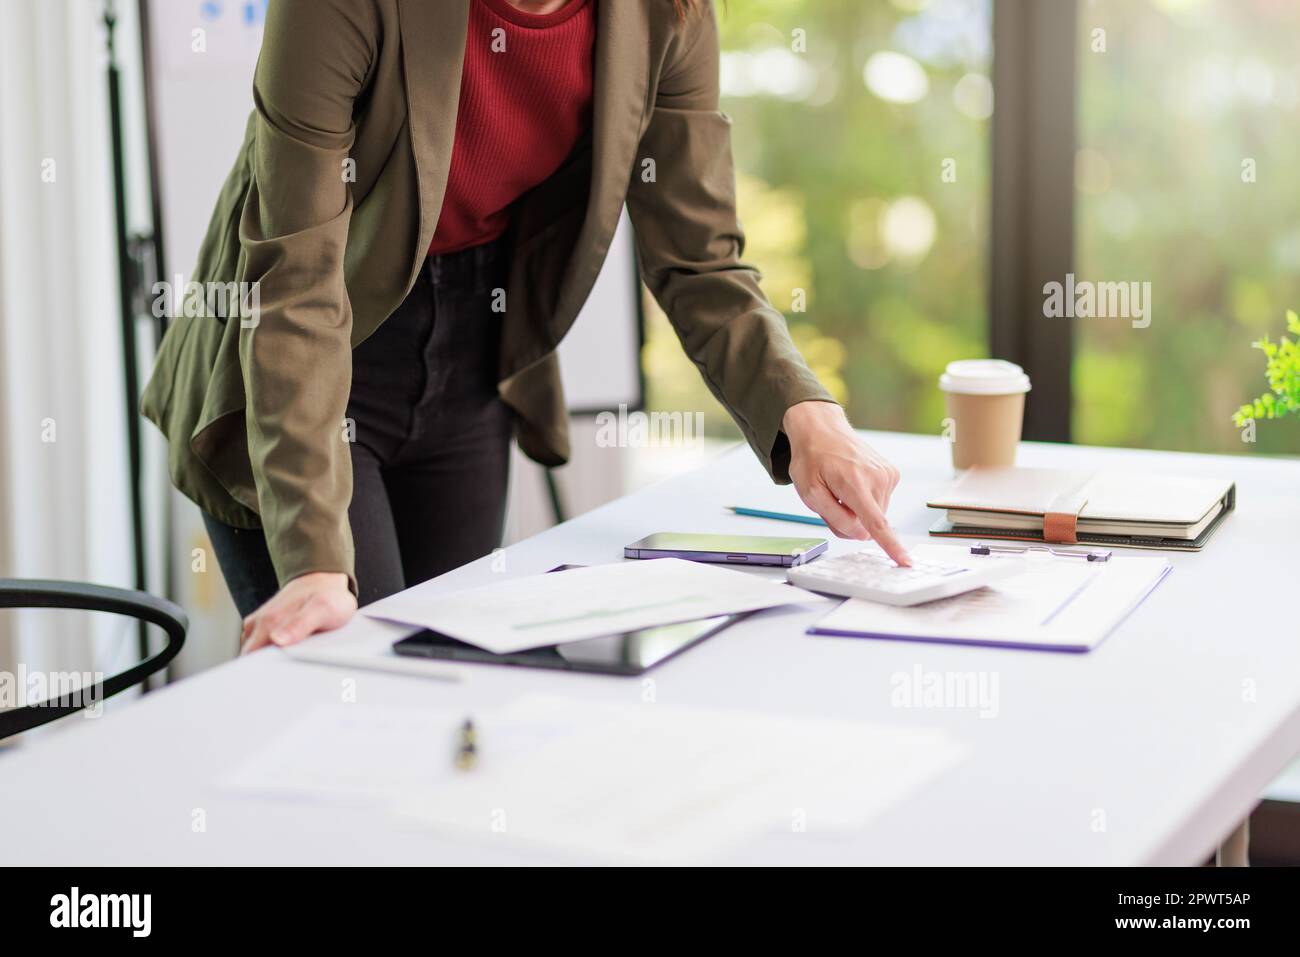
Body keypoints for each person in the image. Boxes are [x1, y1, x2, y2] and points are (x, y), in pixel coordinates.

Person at [141, 0, 910, 655]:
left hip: (475, 351)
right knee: (350, 686)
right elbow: (297, 286)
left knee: (459, 688)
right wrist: (313, 563)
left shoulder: (664, 12)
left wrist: (807, 416)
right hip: (302, 358)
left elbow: (699, 258)